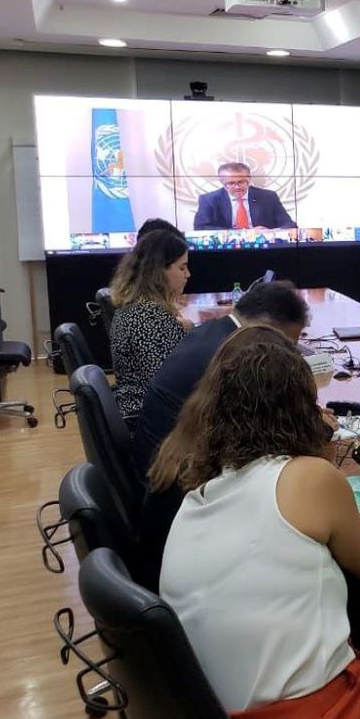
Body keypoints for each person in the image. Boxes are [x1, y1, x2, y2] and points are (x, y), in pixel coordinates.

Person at [153, 326, 360, 719]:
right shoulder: (309, 477)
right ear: (303, 407)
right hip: (312, 718)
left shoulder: (200, 492)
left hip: (220, 716)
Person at [132, 280, 312, 587]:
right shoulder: (236, 359)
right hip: (183, 523)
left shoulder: (212, 333)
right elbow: (263, 445)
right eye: (288, 345)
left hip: (162, 488)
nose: (290, 357)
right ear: (267, 329)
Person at [108, 229, 191, 423]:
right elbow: (166, 382)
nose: (188, 274)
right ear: (159, 272)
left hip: (142, 408)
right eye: (182, 268)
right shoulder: (148, 315)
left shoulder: (139, 307)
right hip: (150, 418)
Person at [193, 162, 295, 231]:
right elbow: (200, 228)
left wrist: (269, 232)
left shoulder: (268, 197)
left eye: (241, 182)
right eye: (231, 183)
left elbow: (289, 225)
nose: (237, 187)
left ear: (249, 179)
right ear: (222, 182)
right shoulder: (209, 200)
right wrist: (242, 233)